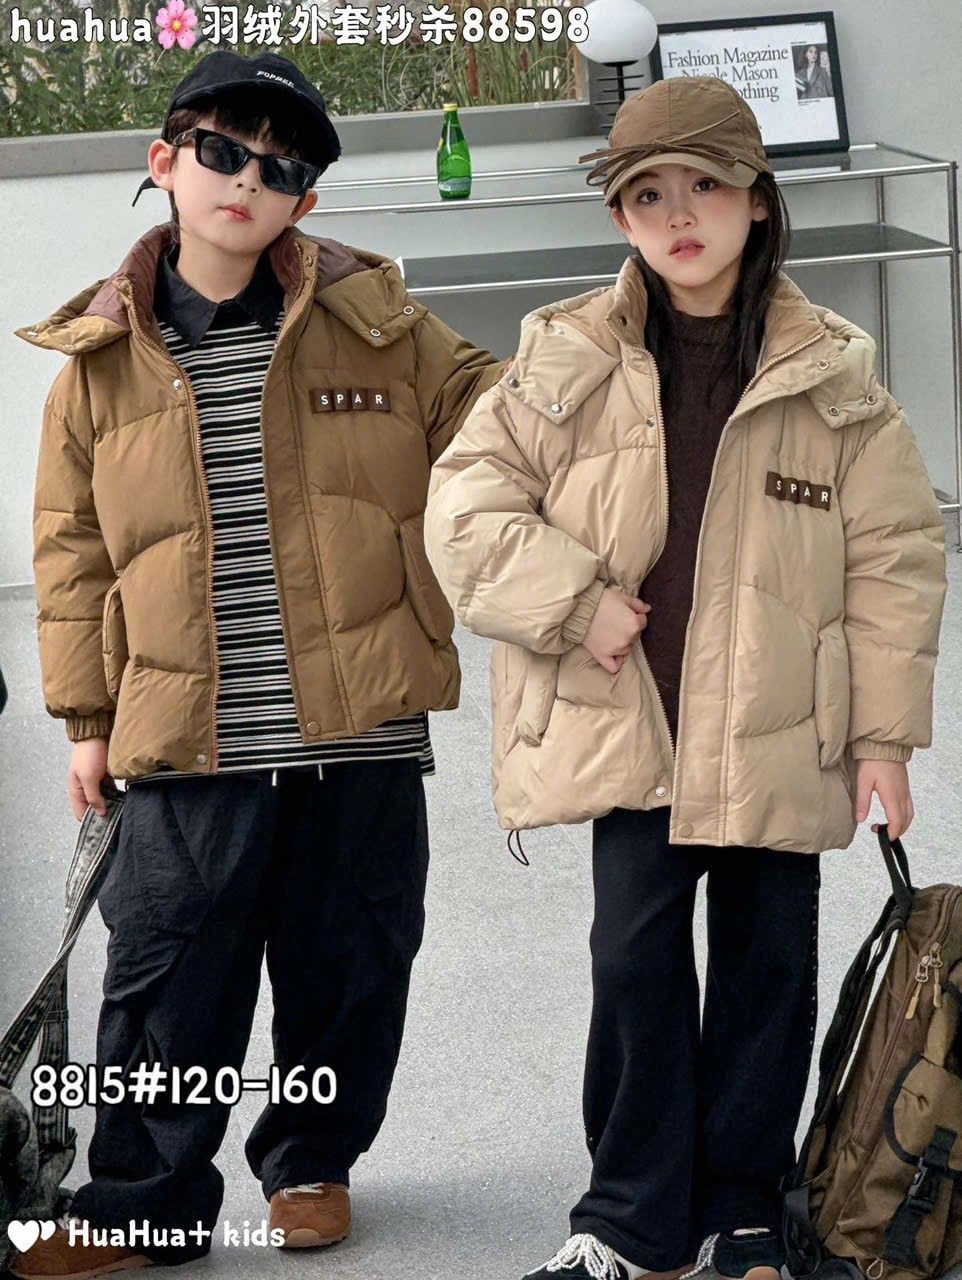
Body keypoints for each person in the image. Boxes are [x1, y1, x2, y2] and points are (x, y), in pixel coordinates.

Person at [423, 76, 947, 1280]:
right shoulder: (565, 356)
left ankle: (743, 1208)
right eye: (646, 194)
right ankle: (628, 1216)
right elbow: (463, 504)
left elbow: (893, 560)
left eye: (704, 186)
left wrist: (881, 740)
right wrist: (574, 600)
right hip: (633, 722)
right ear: (618, 216)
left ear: (756, 200)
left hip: (779, 724)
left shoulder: (835, 379)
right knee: (633, 961)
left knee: (766, 969)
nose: (677, 215)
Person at [13, 50, 504, 1280]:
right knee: (164, 974)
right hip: (187, 733)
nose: (247, 180)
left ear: (305, 202)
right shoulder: (98, 364)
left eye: (279, 169)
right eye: (224, 151)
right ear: (165, 162)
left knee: (351, 966)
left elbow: (500, 415)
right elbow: (71, 554)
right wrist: (85, 718)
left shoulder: (378, 325)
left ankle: (310, 1164)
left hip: (359, 727)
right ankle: (144, 1201)